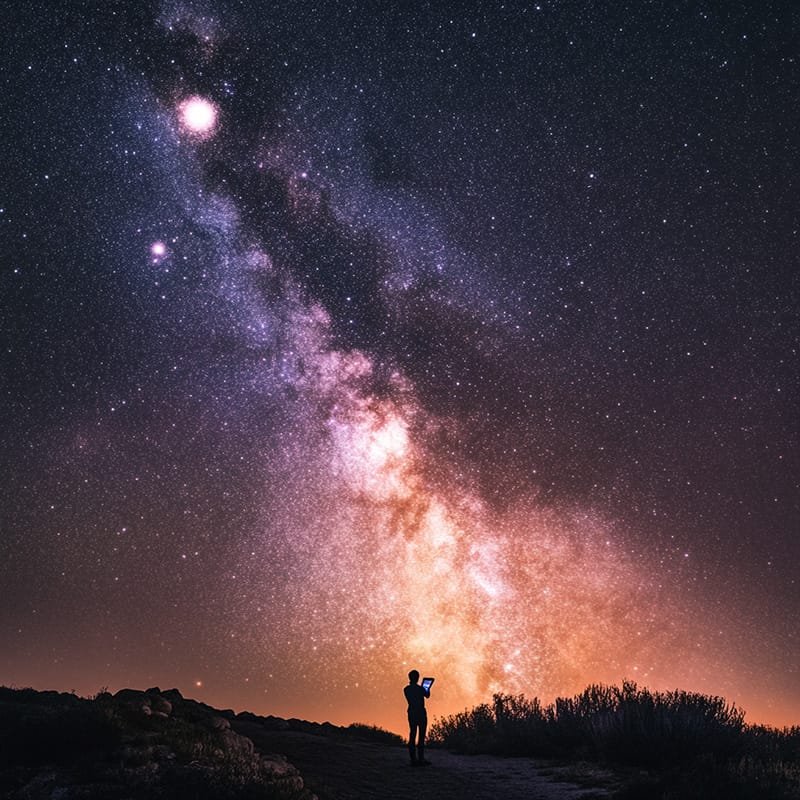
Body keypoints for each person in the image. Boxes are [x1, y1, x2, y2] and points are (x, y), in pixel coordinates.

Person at [403, 669, 430, 766]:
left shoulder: (406, 689)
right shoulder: (420, 689)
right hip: (421, 713)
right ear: (418, 678)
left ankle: (413, 759)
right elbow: (427, 695)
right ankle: (421, 759)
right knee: (421, 736)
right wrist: (427, 687)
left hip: (412, 712)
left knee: (412, 734)